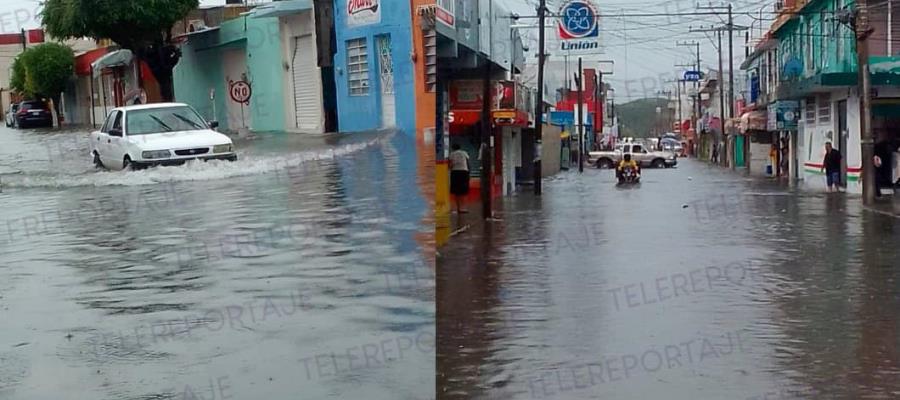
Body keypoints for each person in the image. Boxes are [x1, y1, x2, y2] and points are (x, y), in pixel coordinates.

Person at [449, 144, 470, 214]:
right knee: (464, 191)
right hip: (464, 172)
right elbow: (468, 163)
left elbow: (451, 164)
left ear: (453, 148)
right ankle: (464, 208)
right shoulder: (464, 153)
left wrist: (449, 168)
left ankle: (458, 208)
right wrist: (468, 171)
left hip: (455, 172)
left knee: (456, 191)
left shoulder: (452, 154)